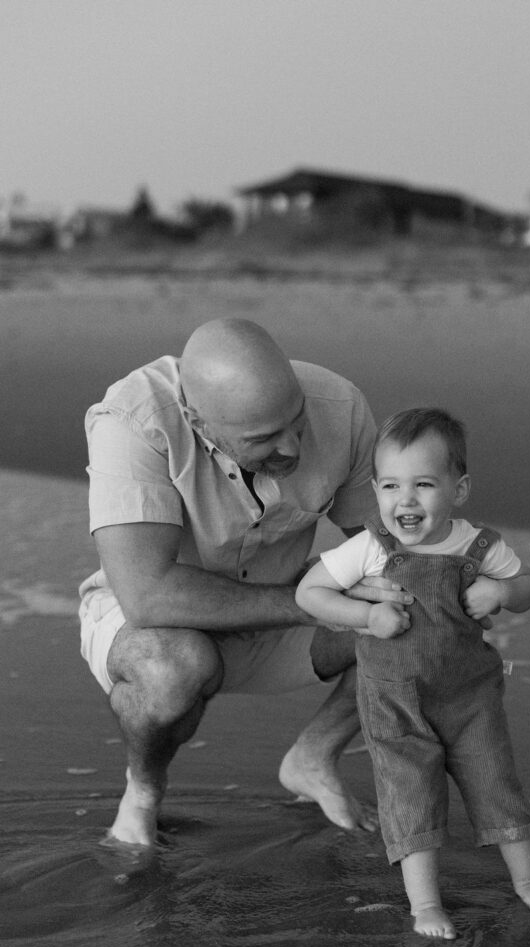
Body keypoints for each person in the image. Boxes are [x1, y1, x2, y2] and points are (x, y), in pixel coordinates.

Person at [78, 317, 413, 847]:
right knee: (174, 669)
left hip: (282, 612)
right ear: (197, 419)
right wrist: (314, 602)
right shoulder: (133, 418)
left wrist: (449, 584)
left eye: (296, 423)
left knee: (420, 615)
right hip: (156, 626)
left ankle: (313, 757)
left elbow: (387, 548)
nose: (292, 450)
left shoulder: (341, 407)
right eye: (262, 440)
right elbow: (148, 595)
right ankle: (142, 793)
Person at [296, 407, 530, 939]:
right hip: (395, 702)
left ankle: (528, 879)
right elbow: (310, 592)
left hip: (470, 698)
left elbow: (529, 587)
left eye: (424, 484)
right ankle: (424, 905)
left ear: (458, 490)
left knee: (496, 784)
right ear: (375, 490)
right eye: (391, 485)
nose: (406, 500)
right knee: (410, 796)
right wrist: (365, 614)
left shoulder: (478, 546)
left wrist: (504, 592)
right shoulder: (372, 547)